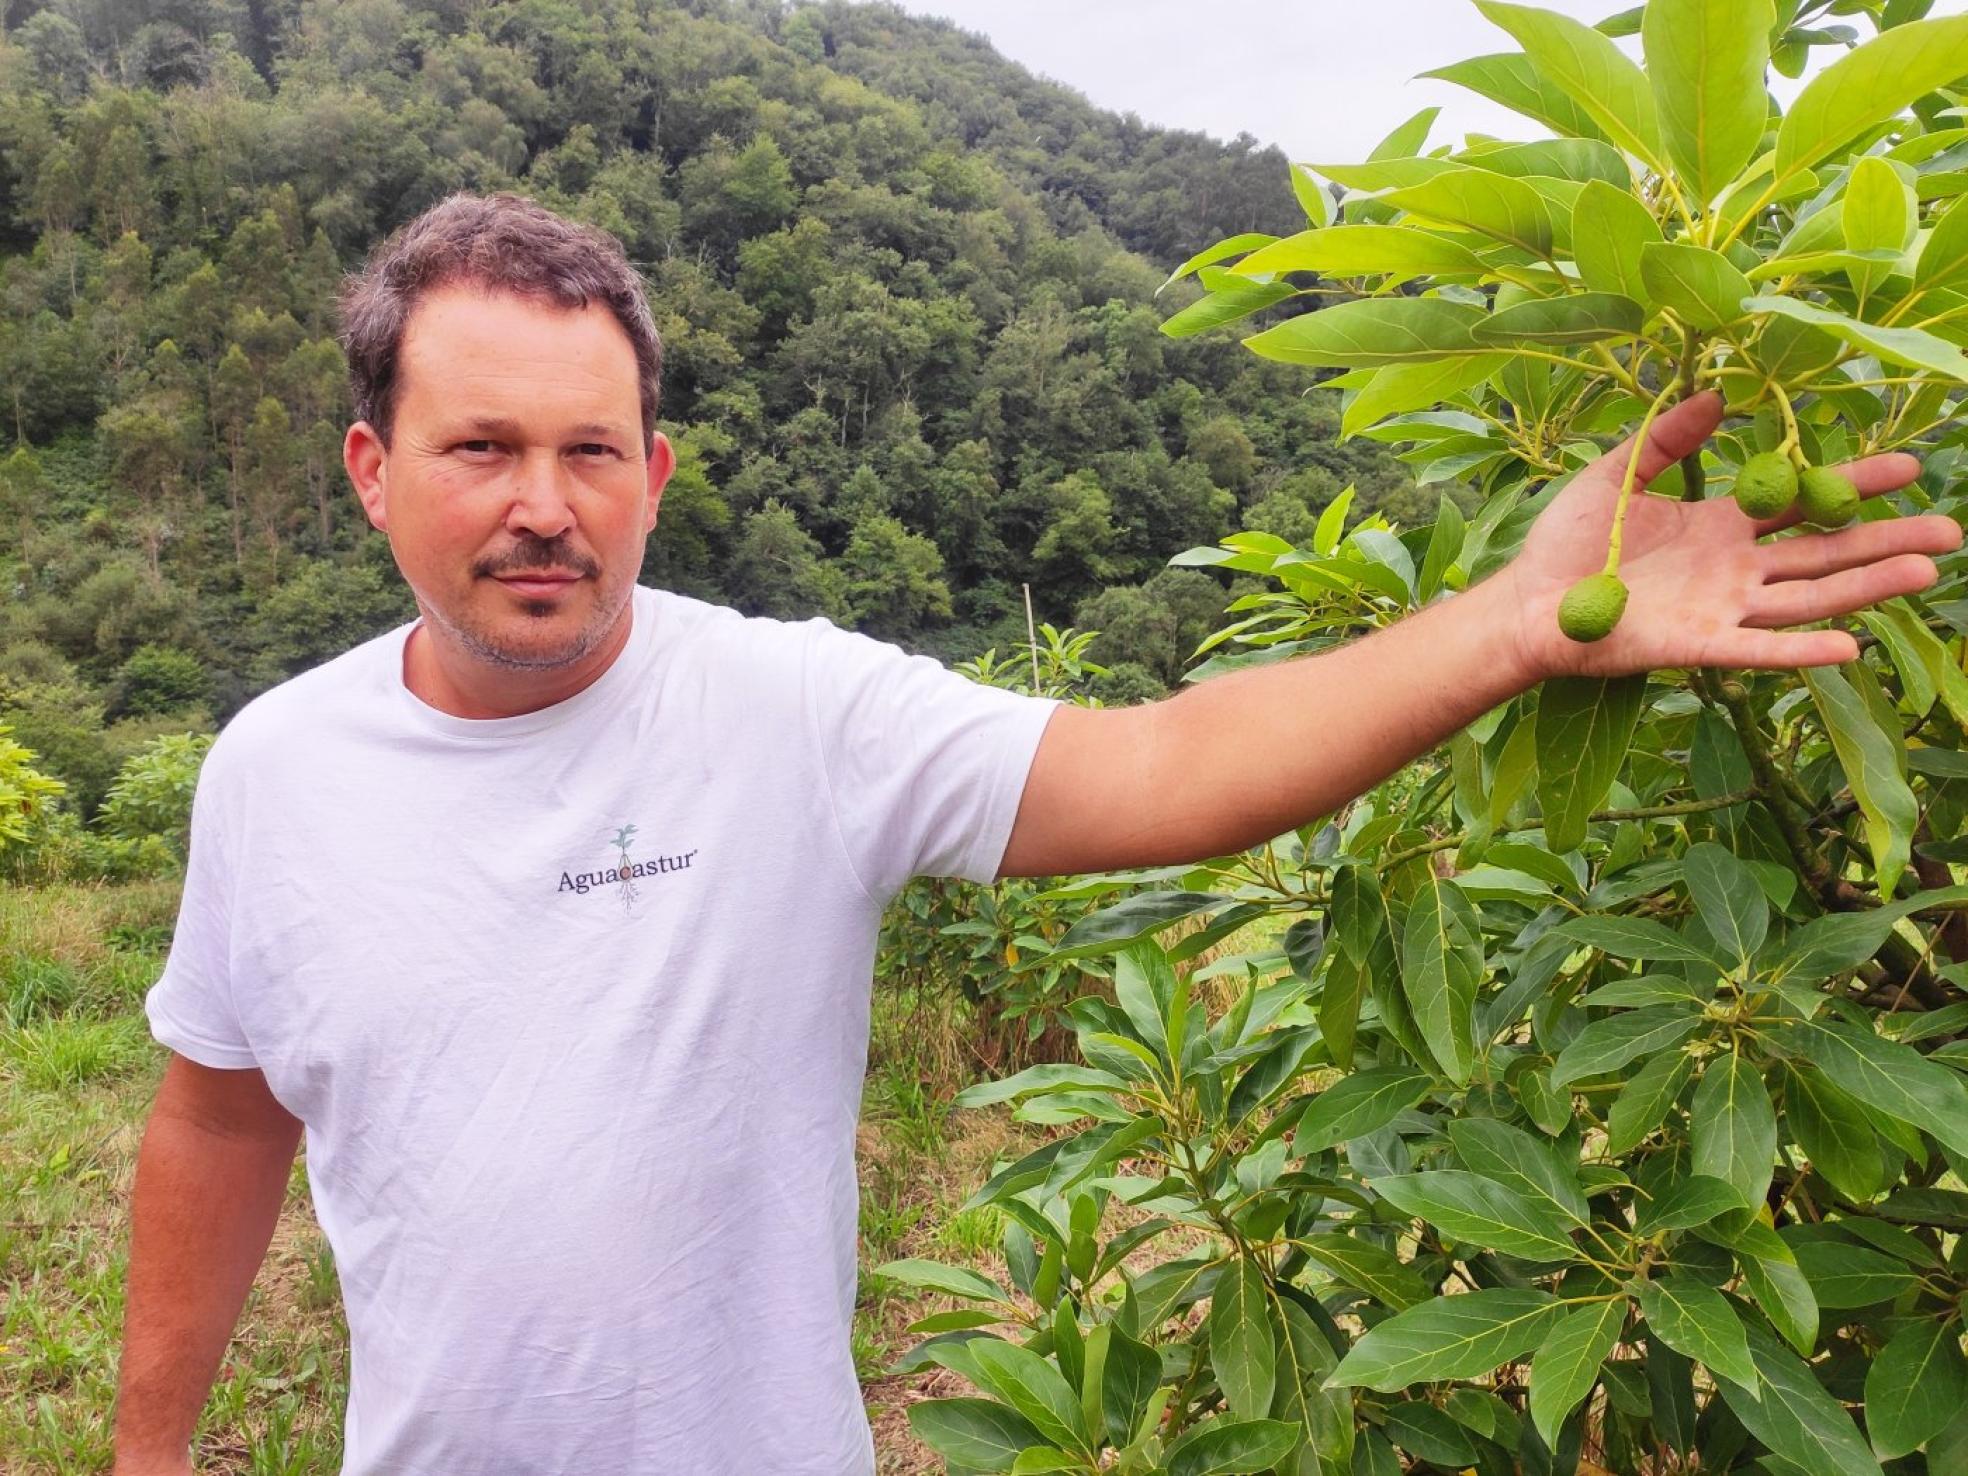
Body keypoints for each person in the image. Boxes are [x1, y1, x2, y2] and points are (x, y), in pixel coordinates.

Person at [112, 190, 1962, 1476]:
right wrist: (145, 1444)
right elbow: (216, 1108)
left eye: (593, 452)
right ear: (372, 469)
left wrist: (1501, 623)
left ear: (658, 475)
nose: (544, 506)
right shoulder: (274, 773)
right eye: (480, 449)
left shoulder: (790, 713)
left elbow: (1166, 767)